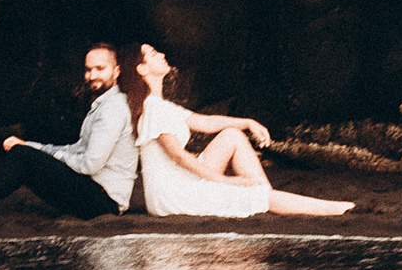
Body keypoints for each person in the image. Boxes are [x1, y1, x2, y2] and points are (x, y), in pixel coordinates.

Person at [125, 42, 352, 218]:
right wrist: (224, 181)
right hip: (174, 196)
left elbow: (206, 123)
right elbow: (179, 156)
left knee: (232, 135)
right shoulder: (153, 109)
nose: (162, 54)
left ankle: (263, 196)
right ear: (141, 69)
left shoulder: (162, 106)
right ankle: (328, 208)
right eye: (153, 54)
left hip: (179, 183)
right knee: (251, 192)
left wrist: (247, 122)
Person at [0, 42, 137, 223]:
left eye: (100, 69)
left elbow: (89, 165)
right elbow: (76, 149)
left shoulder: (113, 109)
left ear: (116, 71)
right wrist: (30, 146)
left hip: (104, 203)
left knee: (23, 158)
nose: (92, 75)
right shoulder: (103, 105)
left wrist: (40, 155)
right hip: (93, 192)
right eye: (88, 69)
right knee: (23, 153)